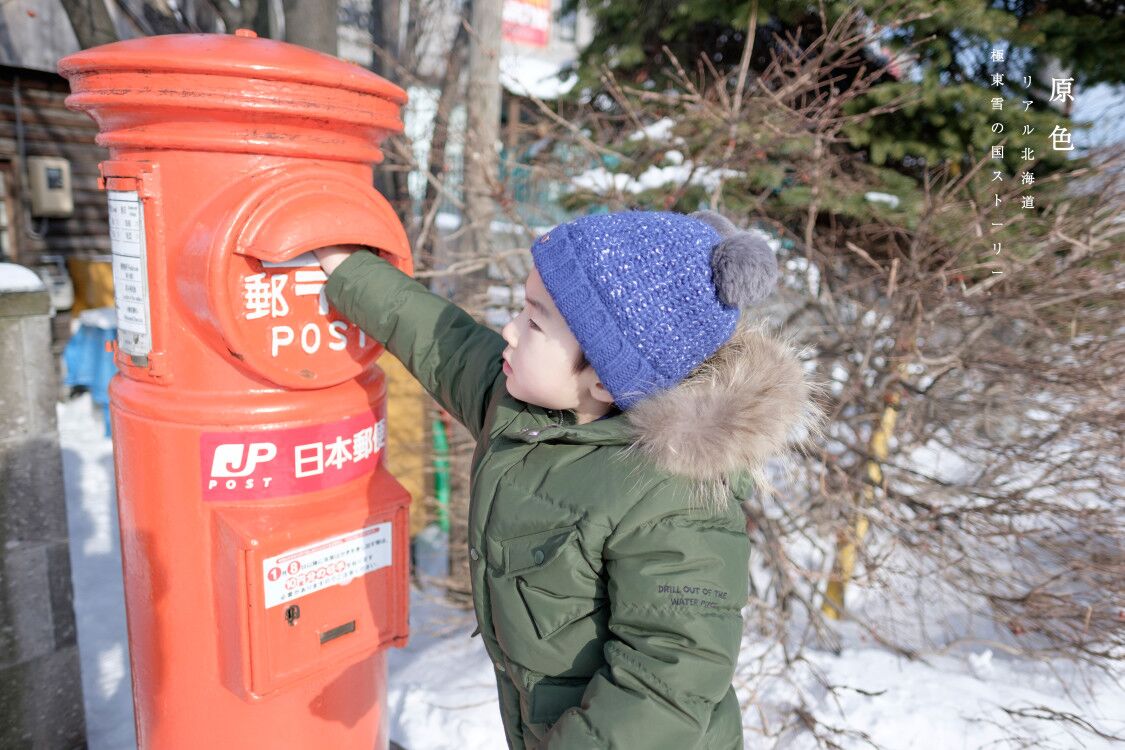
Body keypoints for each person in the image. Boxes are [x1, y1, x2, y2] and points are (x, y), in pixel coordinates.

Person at [315, 209, 821, 749]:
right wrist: (346, 271)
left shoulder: (674, 498)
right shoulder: (522, 410)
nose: (508, 330)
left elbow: (666, 685)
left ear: (605, 376)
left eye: (534, 322)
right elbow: (446, 344)